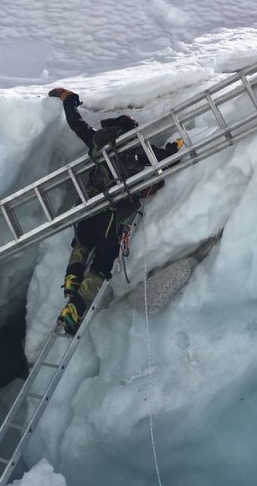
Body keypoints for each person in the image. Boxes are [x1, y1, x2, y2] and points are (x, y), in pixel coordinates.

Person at [48, 87, 183, 335]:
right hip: (112, 210)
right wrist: (176, 145)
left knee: (82, 244)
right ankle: (77, 306)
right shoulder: (137, 146)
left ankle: (72, 279)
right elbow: (166, 158)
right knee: (102, 262)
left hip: (89, 204)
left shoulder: (98, 140)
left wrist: (68, 100)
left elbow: (76, 124)